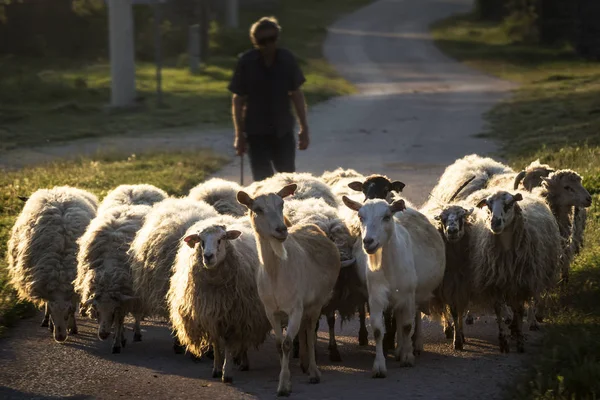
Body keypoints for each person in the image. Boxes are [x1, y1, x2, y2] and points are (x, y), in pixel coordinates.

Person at [228, 16, 309, 182]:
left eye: (271, 39)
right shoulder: (246, 62)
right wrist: (239, 135)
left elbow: (297, 95)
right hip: (256, 131)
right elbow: (238, 100)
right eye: (262, 41)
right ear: (255, 41)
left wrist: (304, 128)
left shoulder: (287, 60)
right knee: (263, 181)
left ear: (277, 38)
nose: (268, 45)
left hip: (282, 130)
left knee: (287, 180)